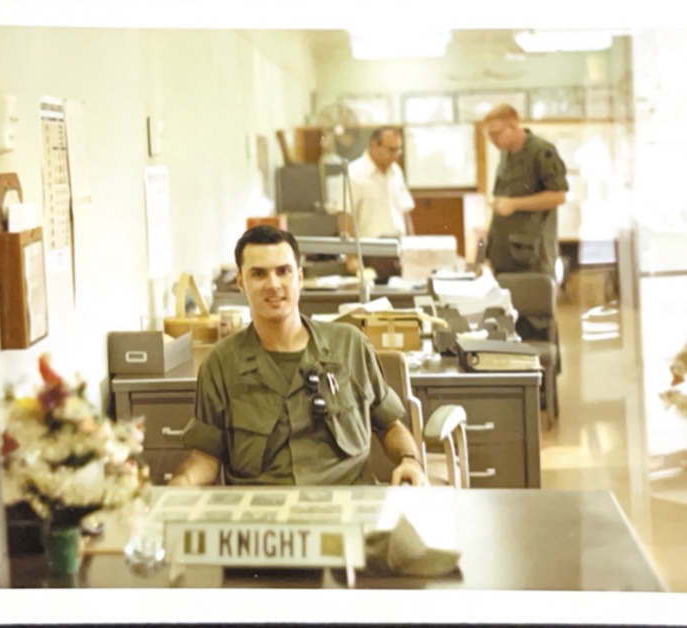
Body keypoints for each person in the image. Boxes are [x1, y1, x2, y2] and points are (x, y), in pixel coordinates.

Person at [169, 225, 428, 487]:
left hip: (347, 502)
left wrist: (410, 461)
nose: (273, 284)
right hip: (263, 514)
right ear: (240, 283)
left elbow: (389, 426)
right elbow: (205, 456)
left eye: (283, 271)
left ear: (300, 278)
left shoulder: (349, 346)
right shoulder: (221, 363)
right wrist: (183, 482)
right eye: (258, 274)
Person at [483, 104, 569, 276]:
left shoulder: (542, 152)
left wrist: (515, 204)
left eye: (497, 134)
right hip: (504, 253)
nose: (493, 140)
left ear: (514, 125)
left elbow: (558, 196)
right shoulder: (506, 155)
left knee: (532, 300)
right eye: (489, 135)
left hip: (531, 256)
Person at [326, 127, 414, 282]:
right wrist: (351, 257)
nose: (395, 155)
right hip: (370, 252)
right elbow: (345, 216)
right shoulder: (354, 173)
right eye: (391, 150)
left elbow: (405, 211)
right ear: (374, 145)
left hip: (398, 249)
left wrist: (413, 249)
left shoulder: (396, 172)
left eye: (398, 150)